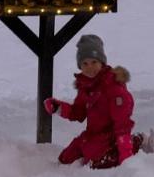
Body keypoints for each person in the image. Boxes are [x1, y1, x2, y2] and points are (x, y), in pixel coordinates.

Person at [43, 34, 148, 169]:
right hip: (92, 135)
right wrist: (58, 107)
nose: (90, 67)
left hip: (111, 136)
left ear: (101, 62)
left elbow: (122, 125)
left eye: (94, 62)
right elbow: (78, 112)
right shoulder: (86, 85)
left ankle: (134, 143)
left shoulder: (114, 88)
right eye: (85, 63)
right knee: (65, 159)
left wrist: (126, 160)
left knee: (98, 162)